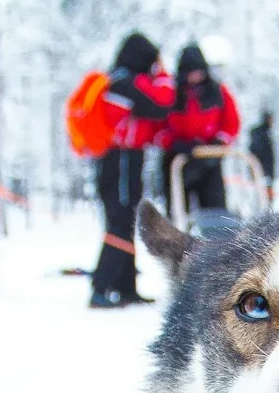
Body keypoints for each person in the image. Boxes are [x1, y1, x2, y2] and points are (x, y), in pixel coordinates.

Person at [90, 32, 175, 308]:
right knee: (121, 219)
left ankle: (126, 287)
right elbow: (161, 105)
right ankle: (100, 287)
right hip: (121, 159)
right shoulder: (123, 82)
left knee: (126, 220)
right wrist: (162, 75)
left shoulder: (118, 80)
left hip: (120, 159)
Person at [160, 42, 241, 216]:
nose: (195, 76)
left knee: (215, 212)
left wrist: (219, 142)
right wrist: (175, 144)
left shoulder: (218, 92)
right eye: (191, 72)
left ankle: (217, 241)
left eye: (198, 71)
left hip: (210, 158)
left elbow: (231, 123)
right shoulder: (171, 93)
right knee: (179, 212)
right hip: (179, 161)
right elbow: (159, 127)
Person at [247, 110, 277, 204]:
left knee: (266, 194)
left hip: (266, 168)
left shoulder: (267, 132)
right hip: (261, 168)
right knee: (259, 193)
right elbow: (255, 149)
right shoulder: (260, 132)